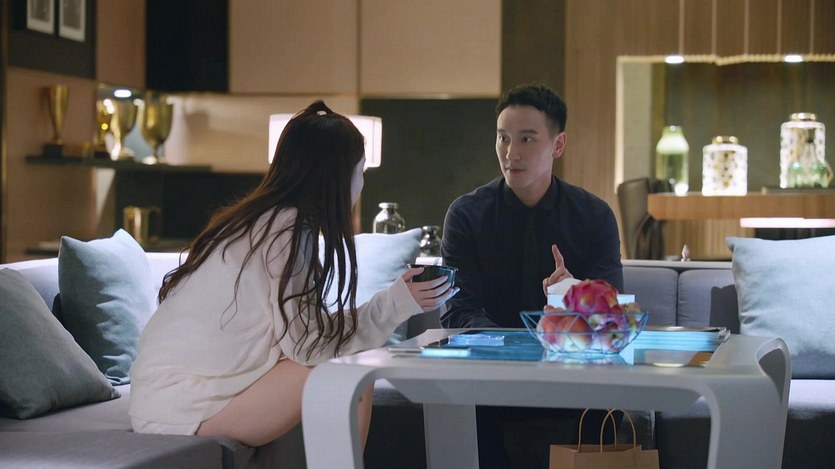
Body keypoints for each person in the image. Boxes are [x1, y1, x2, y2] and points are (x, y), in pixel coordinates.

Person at [129, 101, 458, 449]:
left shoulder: (261, 221)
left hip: (164, 399)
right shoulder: (283, 230)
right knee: (352, 372)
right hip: (180, 405)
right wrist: (393, 305)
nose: (361, 183)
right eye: (360, 171)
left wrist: (394, 302)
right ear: (338, 175)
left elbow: (307, 335)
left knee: (350, 366)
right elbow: (310, 348)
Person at [439, 84, 624, 468]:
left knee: (607, 402)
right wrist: (515, 350)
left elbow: (612, 316)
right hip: (489, 375)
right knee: (459, 401)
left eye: (526, 139)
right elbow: (456, 311)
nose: (511, 153)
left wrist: (574, 295)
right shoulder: (466, 215)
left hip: (572, 377)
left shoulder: (594, 216)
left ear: (558, 145)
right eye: (503, 138)